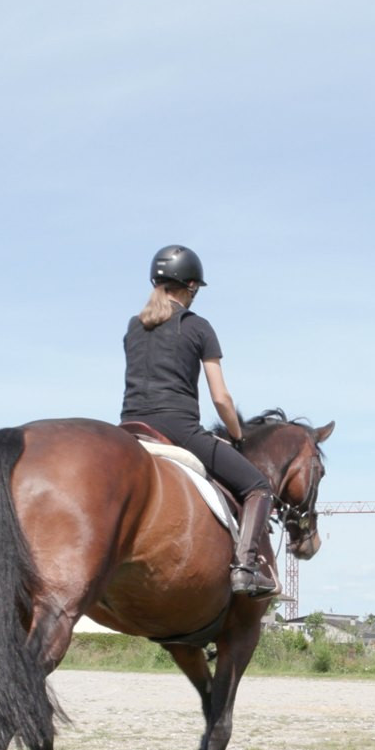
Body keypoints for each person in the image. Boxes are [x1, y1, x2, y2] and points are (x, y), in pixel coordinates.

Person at [120, 245, 276, 597]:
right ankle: (245, 570)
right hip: (176, 429)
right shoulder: (198, 327)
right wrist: (237, 436)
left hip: (129, 427)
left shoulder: (134, 327)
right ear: (190, 286)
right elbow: (221, 398)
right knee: (258, 487)